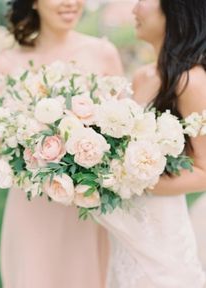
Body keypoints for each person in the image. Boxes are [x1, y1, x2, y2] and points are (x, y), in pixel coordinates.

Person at [0, 0, 123, 287]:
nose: (70, 3)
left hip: (85, 204)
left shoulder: (103, 53)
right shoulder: (8, 63)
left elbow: (121, 129)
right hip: (33, 205)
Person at [96, 0, 206, 287]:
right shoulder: (142, 76)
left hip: (162, 234)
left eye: (143, 0)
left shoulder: (191, 81)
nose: (134, 9)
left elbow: (205, 171)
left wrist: (128, 179)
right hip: (127, 231)